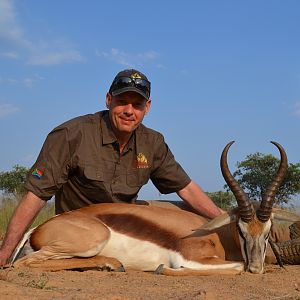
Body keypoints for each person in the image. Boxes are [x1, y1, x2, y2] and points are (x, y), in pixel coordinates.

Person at [0, 69, 223, 266]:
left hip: (125, 231)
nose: (129, 111)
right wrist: (6, 253)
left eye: (137, 105)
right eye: (122, 101)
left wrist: (226, 219)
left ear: (147, 107)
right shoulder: (72, 134)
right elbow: (37, 195)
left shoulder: (152, 142)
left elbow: (187, 188)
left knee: (183, 211)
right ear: (108, 100)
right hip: (83, 232)